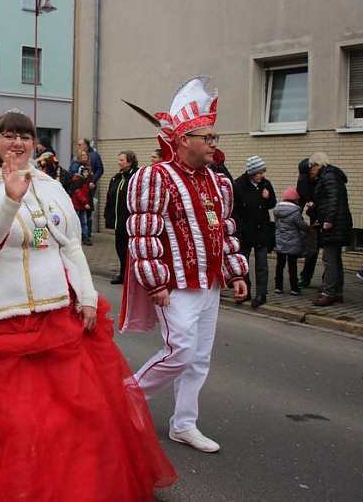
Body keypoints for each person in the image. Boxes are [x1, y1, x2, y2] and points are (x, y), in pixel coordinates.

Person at [0, 110, 177, 500]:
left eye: (25, 136)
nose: (18, 143)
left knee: (72, 419)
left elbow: (71, 243)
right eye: (9, 136)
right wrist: (10, 201)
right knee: (12, 424)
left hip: (56, 317)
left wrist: (88, 297)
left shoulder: (50, 185)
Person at [123, 75, 248, 453]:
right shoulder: (154, 176)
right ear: (183, 140)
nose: (214, 144)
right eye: (207, 137)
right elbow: (143, 233)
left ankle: (184, 424)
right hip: (175, 283)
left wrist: (236, 271)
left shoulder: (218, 181)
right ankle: (123, 397)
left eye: (215, 137)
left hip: (208, 282)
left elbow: (224, 229)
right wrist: (155, 282)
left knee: (199, 358)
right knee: (179, 351)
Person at [308, 152, 353, 307]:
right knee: (335, 258)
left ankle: (328, 292)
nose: (311, 171)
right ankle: (337, 292)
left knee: (330, 259)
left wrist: (328, 220)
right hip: (339, 223)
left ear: (317, 165)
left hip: (334, 225)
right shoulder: (333, 176)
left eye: (311, 167)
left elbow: (333, 200)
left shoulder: (328, 177)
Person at [232, 155, 276, 308]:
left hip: (262, 231)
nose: (262, 175)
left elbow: (272, 204)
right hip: (245, 232)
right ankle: (246, 291)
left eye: (263, 172)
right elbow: (234, 209)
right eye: (259, 173)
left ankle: (261, 294)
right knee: (243, 264)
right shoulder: (238, 185)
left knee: (262, 264)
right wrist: (241, 227)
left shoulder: (266, 185)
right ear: (251, 173)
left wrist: (268, 197)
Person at [104, 150, 138, 285]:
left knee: (129, 251)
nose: (119, 162)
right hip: (118, 221)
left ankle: (131, 276)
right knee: (120, 249)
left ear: (129, 162)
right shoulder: (116, 178)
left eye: (121, 160)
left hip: (129, 221)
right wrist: (108, 214)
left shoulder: (135, 177)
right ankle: (123, 274)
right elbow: (110, 197)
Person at [273, 187, 308, 295]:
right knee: (292, 266)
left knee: (280, 264)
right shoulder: (295, 212)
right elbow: (302, 226)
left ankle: (278, 286)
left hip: (280, 241)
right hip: (293, 242)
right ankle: (294, 288)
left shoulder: (277, 211)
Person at [71, 138, 104, 239]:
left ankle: (86, 233)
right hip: (79, 190)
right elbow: (71, 173)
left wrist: (92, 181)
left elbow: (99, 169)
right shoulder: (76, 161)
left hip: (89, 189)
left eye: (80, 144)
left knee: (87, 211)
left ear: (86, 145)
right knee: (79, 212)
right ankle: (80, 234)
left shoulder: (94, 156)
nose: (78, 146)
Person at [296, 158, 319, 289]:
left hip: (325, 218)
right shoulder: (303, 183)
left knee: (328, 254)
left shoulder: (323, 180)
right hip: (314, 219)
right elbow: (299, 205)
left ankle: (326, 280)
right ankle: (305, 277)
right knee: (312, 251)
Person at [69, 162, 92, 245]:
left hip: (82, 205)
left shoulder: (86, 181)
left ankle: (84, 236)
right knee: (78, 221)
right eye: (84, 172)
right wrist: (85, 202)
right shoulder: (78, 181)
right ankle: (76, 237)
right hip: (78, 205)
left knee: (84, 222)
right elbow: (78, 193)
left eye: (87, 172)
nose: (86, 174)